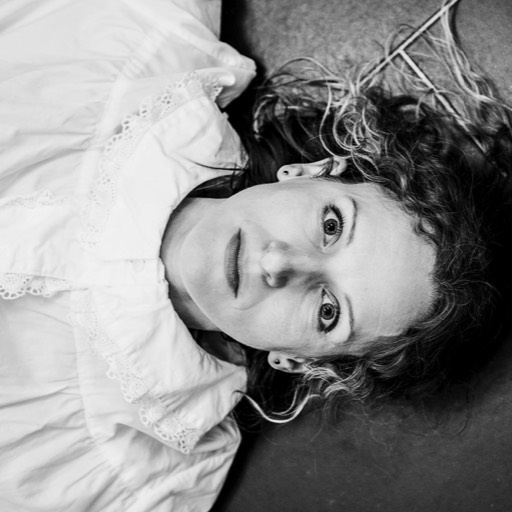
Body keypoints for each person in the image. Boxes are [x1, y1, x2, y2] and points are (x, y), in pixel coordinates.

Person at [0, 1, 510, 512]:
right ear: (311, 173)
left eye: (328, 311)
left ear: (302, 361)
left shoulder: (139, 480)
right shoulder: (146, 40)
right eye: (332, 226)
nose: (278, 265)